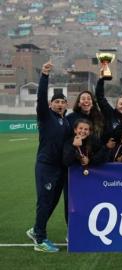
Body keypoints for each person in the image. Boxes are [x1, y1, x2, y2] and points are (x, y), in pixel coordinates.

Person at [26, 61, 70, 252]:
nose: (59, 104)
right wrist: (44, 76)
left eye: (62, 101)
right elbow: (41, 98)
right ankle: (40, 239)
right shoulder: (45, 116)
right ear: (51, 104)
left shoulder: (66, 122)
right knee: (44, 201)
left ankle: (37, 228)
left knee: (52, 202)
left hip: (60, 168)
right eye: (56, 101)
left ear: (66, 104)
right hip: (46, 166)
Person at [95, 76, 122, 143]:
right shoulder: (109, 113)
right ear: (116, 105)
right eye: (121, 104)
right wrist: (101, 80)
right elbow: (100, 97)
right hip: (108, 150)